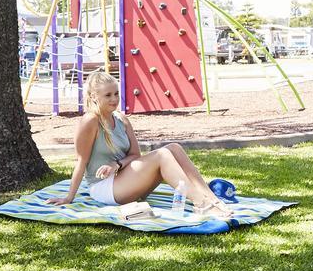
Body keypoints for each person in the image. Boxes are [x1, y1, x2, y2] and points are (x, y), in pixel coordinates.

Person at [46, 70, 231, 217]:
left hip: (125, 180)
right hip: (104, 188)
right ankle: (201, 203)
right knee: (162, 155)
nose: (114, 99)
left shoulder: (121, 119)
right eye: (108, 95)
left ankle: (211, 198)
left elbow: (135, 156)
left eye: (116, 93)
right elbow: (81, 161)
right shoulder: (90, 121)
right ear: (94, 97)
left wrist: (116, 164)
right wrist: (69, 197)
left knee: (174, 148)